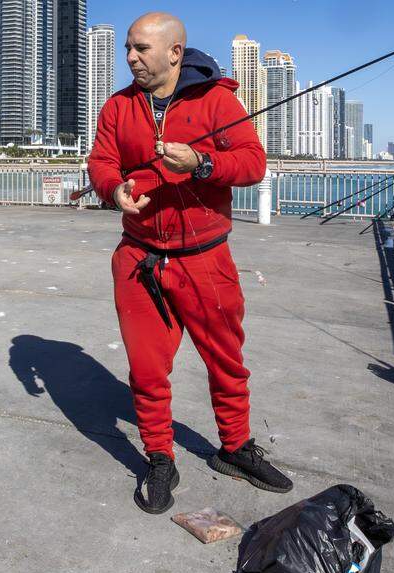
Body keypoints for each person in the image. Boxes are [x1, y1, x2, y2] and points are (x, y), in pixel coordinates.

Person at [87, 12, 292, 514]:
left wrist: (201, 163)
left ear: (175, 53)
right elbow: (101, 162)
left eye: (141, 49)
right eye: (128, 48)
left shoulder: (217, 100)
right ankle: (160, 456)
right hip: (139, 257)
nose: (130, 57)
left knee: (226, 359)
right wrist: (114, 189)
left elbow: (252, 162)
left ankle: (236, 447)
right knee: (146, 368)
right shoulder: (118, 106)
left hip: (205, 258)